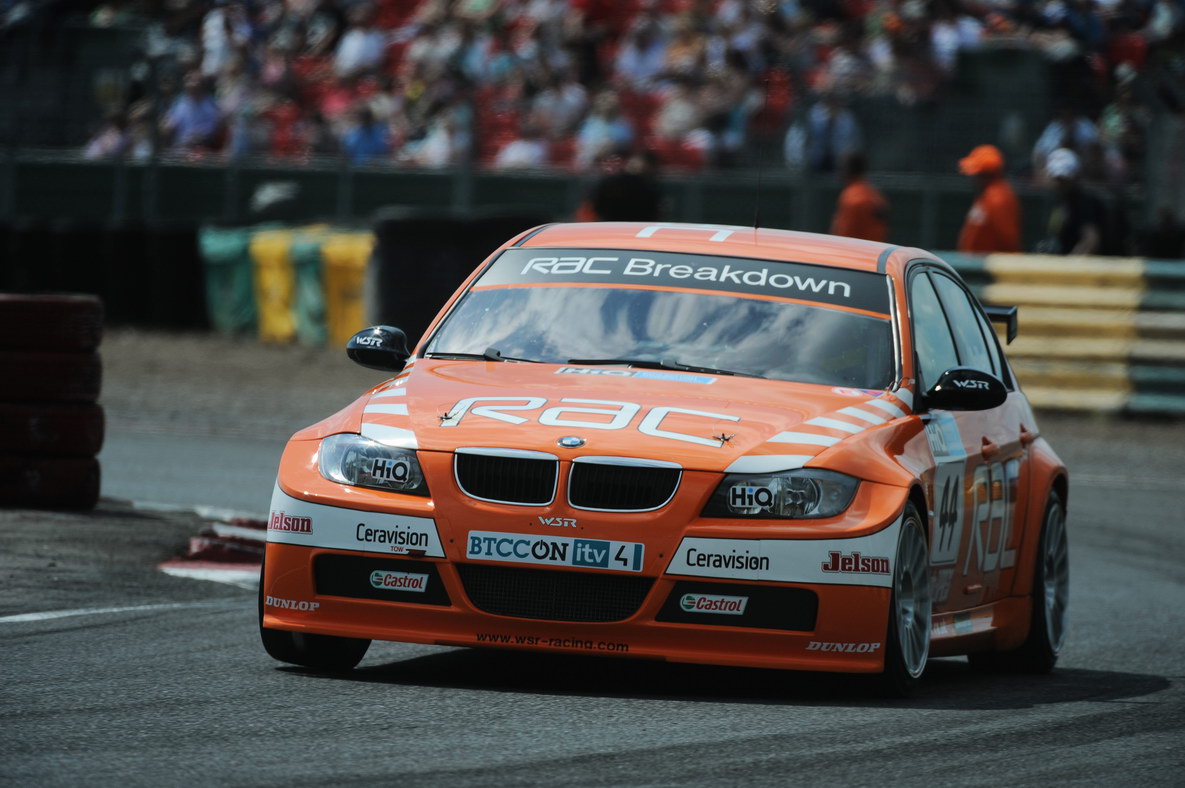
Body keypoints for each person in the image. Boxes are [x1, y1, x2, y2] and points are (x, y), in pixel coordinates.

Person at [956, 144, 1021, 253]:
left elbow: (1008, 238)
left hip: (991, 261)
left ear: (984, 174)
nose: (973, 179)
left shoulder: (998, 198)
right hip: (978, 260)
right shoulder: (987, 195)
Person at [1042, 148, 1106, 255]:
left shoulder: (1086, 202)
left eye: (1065, 178)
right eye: (1057, 178)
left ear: (1076, 175)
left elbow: (1090, 242)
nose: (1060, 183)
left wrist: (1071, 263)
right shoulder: (1058, 201)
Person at [830, 152, 888, 242]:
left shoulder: (851, 197)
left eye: (841, 167)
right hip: (876, 248)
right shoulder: (874, 194)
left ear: (848, 169)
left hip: (854, 249)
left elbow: (843, 235)